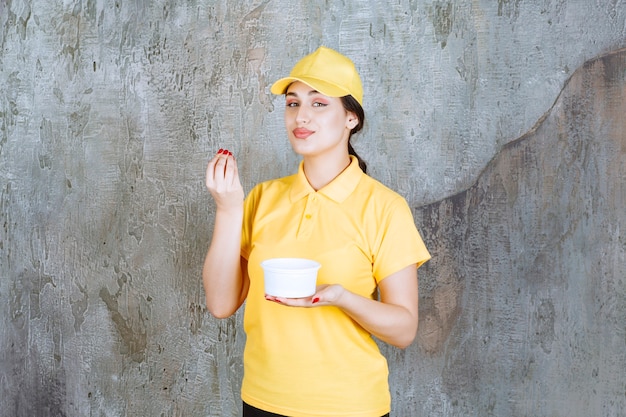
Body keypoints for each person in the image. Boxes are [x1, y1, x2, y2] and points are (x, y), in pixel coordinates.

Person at [203, 46, 431, 417]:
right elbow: (220, 304)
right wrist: (228, 209)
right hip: (262, 401)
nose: (301, 116)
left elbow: (403, 329)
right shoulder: (262, 197)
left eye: (319, 103)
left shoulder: (385, 208)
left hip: (350, 406)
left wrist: (341, 296)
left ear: (351, 118)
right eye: (292, 103)